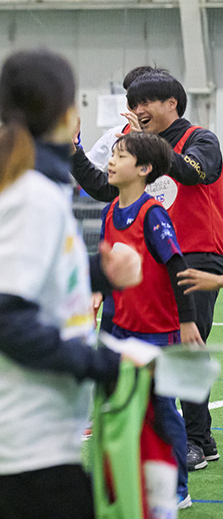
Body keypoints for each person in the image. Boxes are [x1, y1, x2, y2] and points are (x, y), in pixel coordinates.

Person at [0, 48, 143, 519]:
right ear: (66, 113)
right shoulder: (31, 193)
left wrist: (100, 275)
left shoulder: (38, 184)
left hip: (29, 430)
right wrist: (99, 364)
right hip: (21, 431)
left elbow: (36, 280)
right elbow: (3, 316)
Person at [71, 69, 222, 472]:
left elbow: (195, 171)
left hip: (194, 255)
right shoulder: (142, 148)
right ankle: (156, 432)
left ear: (172, 104)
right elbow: (105, 189)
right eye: (133, 104)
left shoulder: (201, 139)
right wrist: (73, 150)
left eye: (145, 103)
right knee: (146, 348)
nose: (136, 110)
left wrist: (151, 146)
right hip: (147, 259)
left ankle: (197, 440)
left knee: (184, 350)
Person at [102, 131, 204, 504]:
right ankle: (141, 480)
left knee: (163, 411)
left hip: (159, 333)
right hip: (122, 330)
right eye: (112, 154)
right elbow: (108, 270)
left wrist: (187, 321)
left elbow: (177, 265)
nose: (111, 161)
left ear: (144, 169)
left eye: (121, 155)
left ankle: (178, 490)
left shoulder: (152, 214)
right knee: (129, 410)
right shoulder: (109, 212)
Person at [82, 66, 159, 170]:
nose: (138, 110)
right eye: (132, 102)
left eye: (144, 101)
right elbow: (89, 170)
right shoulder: (115, 135)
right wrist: (74, 150)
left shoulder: (174, 136)